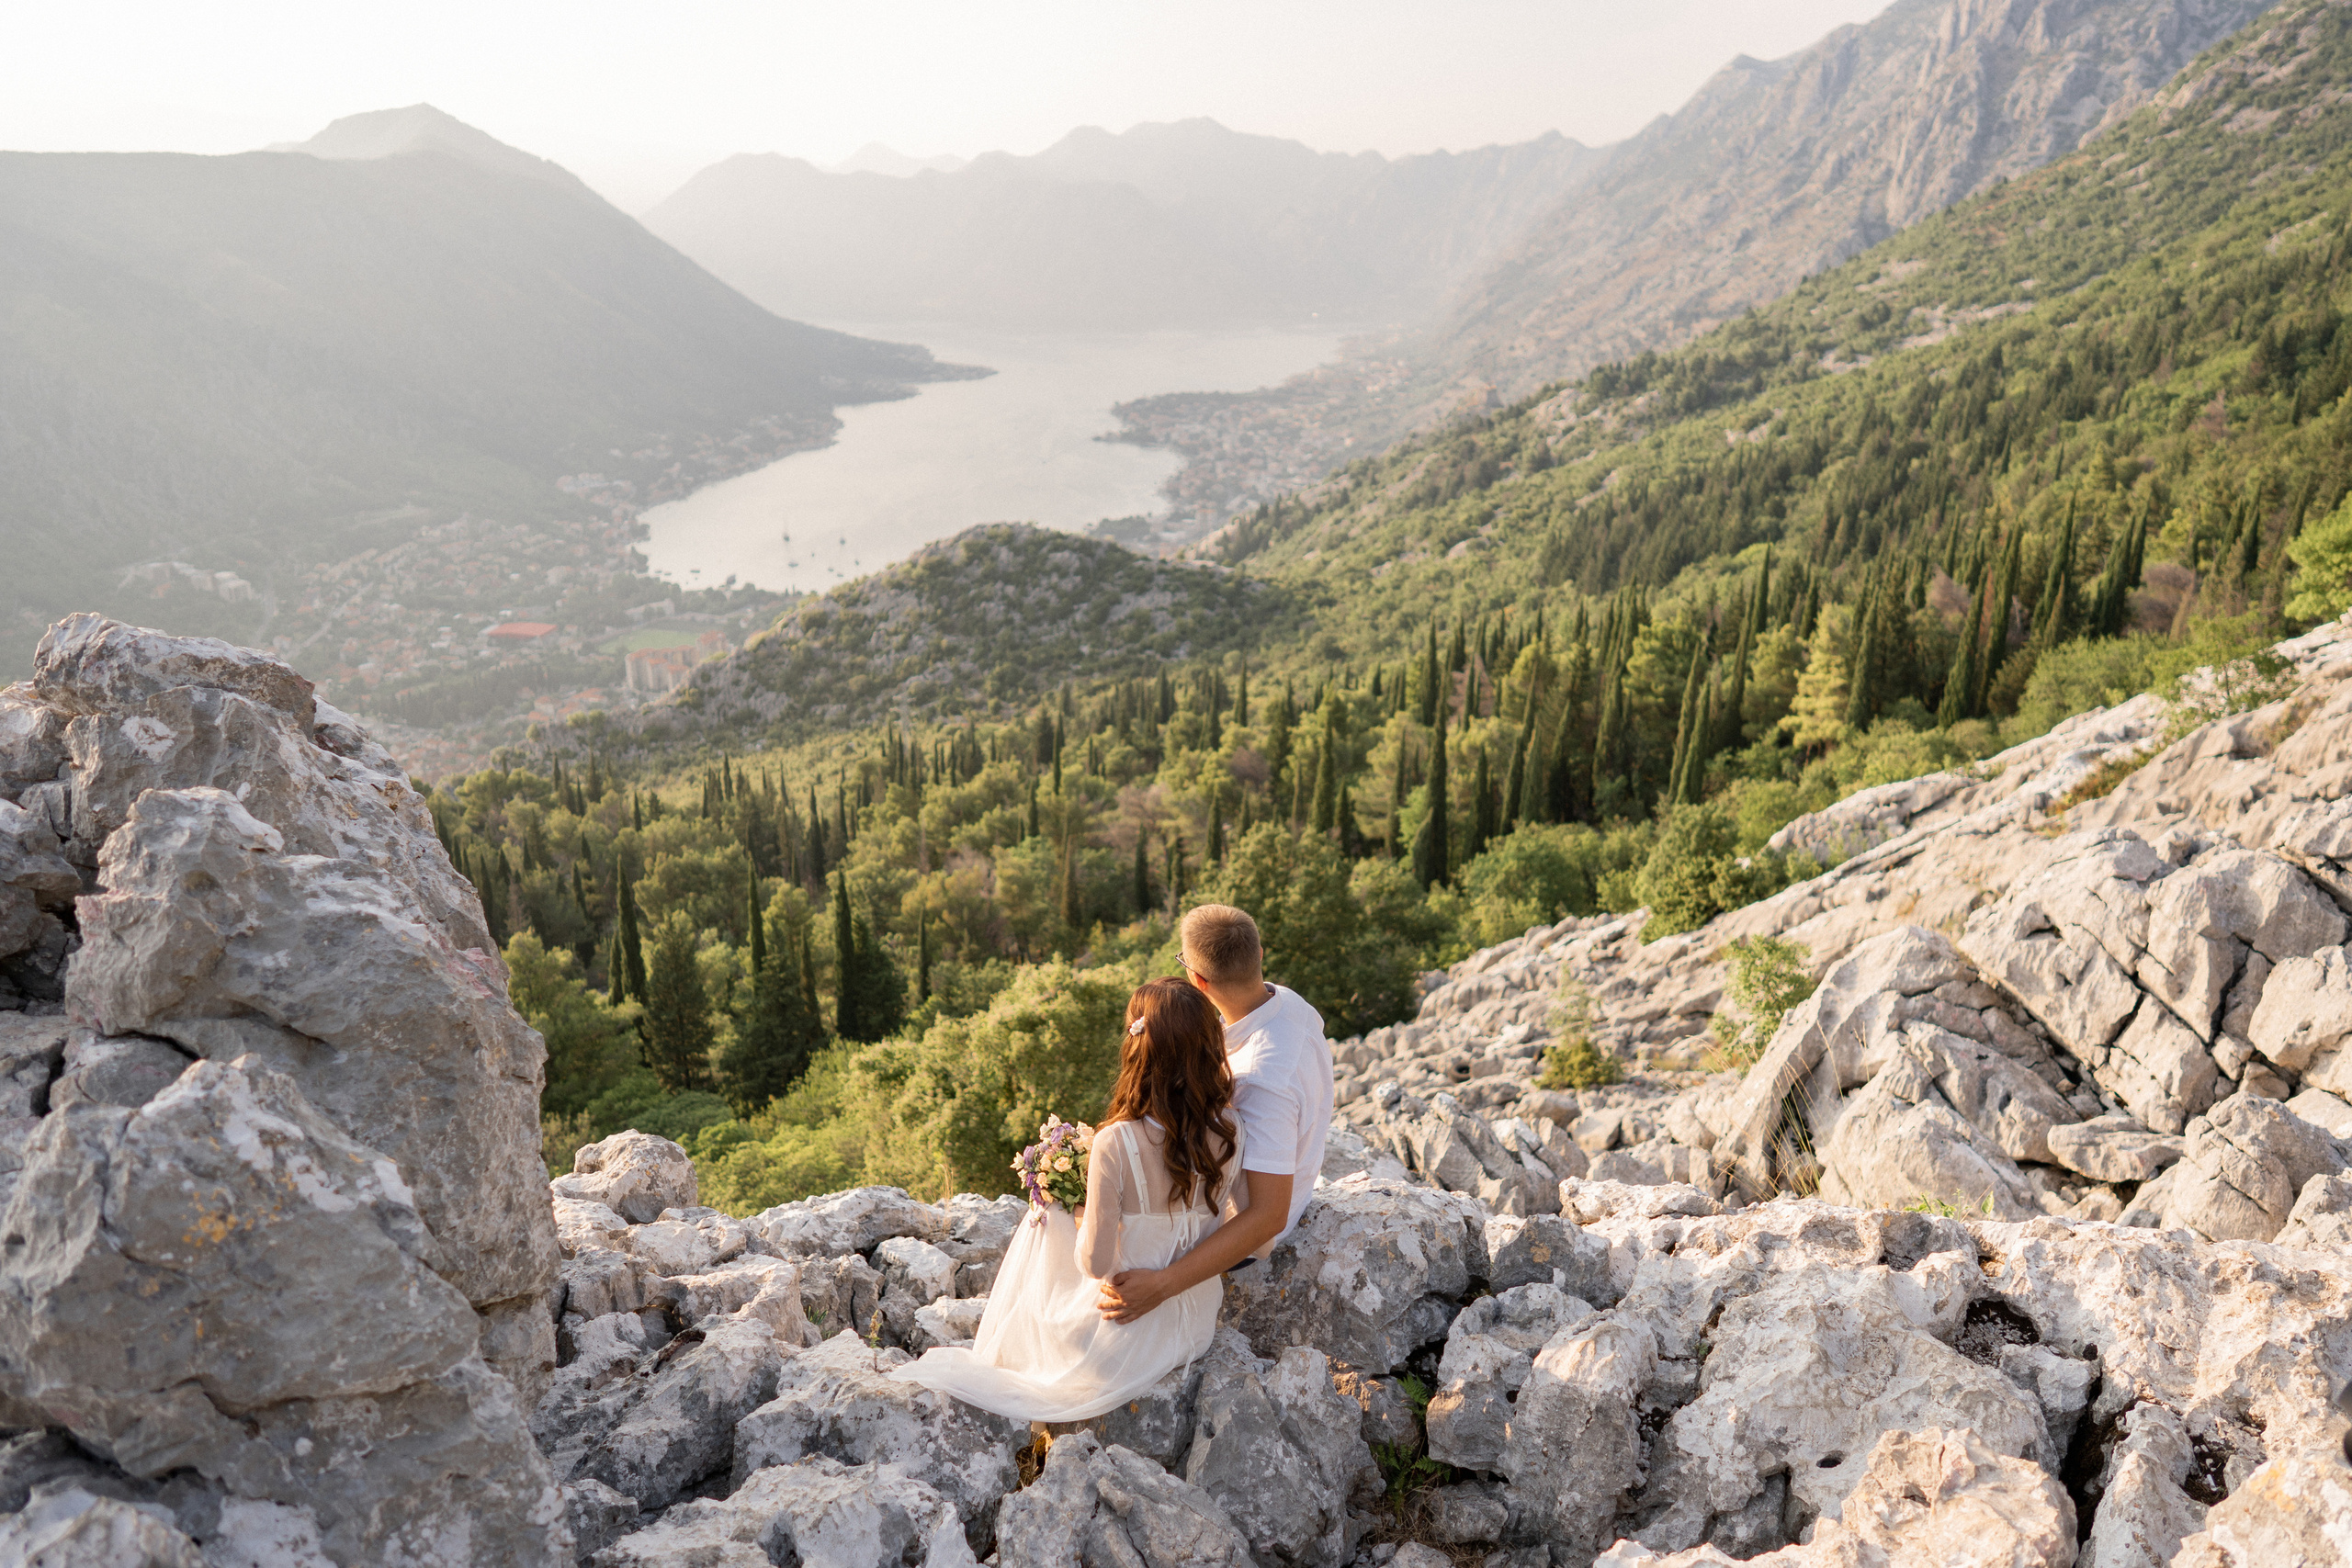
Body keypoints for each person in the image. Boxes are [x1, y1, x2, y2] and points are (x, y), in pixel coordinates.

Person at [889, 977, 1250, 1421]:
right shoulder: (1232, 1128)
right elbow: (1257, 1236)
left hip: (1126, 1332)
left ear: (1139, 1049)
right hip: (1196, 1323)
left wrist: (1081, 1216)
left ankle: (1013, 1343)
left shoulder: (1116, 1141)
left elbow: (1096, 1266)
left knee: (1047, 1213)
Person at [1097, 903, 1332, 1325]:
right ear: (1258, 955)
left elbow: (1267, 1217)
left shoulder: (1261, 1080)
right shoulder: (1286, 1001)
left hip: (1238, 1238)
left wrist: (1162, 1285)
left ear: (1196, 978)